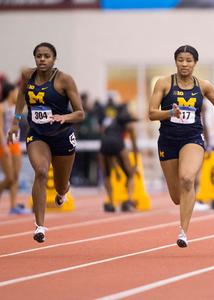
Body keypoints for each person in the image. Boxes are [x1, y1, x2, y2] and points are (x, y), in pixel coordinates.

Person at [148, 45, 214, 248]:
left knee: (187, 178)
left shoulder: (203, 86)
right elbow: (151, 113)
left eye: (189, 60)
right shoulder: (164, 83)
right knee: (177, 197)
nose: (184, 64)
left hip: (192, 138)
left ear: (195, 63)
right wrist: (169, 114)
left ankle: (183, 232)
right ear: (175, 61)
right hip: (167, 140)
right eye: (181, 60)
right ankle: (184, 208)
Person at [7, 42, 85, 242]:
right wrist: (15, 122)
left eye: (47, 56)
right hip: (38, 134)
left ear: (54, 59)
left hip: (62, 135)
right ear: (35, 58)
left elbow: (80, 113)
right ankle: (40, 226)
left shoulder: (64, 80)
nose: (42, 59)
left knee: (60, 186)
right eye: (39, 56)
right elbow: (21, 99)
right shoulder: (27, 75)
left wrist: (64, 118)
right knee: (41, 171)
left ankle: (63, 190)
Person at [99, 104, 138, 212]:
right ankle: (128, 201)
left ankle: (111, 203)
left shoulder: (109, 123)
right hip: (118, 144)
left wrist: (115, 169)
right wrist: (135, 164)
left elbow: (102, 132)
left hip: (104, 145)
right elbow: (134, 145)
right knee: (130, 175)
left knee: (106, 175)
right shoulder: (129, 125)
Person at [0, 82, 30, 215]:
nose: (17, 94)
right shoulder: (2, 107)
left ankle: (13, 205)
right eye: (15, 91)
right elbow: (0, 128)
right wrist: (4, 145)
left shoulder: (16, 108)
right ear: (10, 92)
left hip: (16, 143)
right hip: (5, 144)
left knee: (16, 176)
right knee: (10, 177)